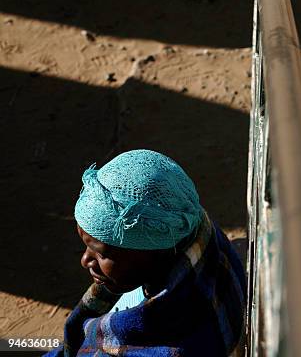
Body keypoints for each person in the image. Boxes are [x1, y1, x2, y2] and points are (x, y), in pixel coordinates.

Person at [46, 149, 246, 356]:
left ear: (154, 252)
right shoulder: (191, 228)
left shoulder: (171, 343)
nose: (85, 260)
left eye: (101, 254)